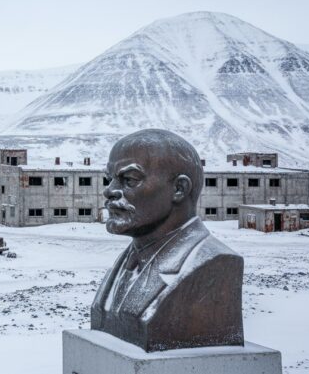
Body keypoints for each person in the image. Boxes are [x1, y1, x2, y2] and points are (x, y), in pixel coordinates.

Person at [90, 129, 244, 352]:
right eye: (109, 179)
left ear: (179, 189)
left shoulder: (216, 262)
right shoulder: (127, 259)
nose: (109, 191)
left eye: (129, 180)